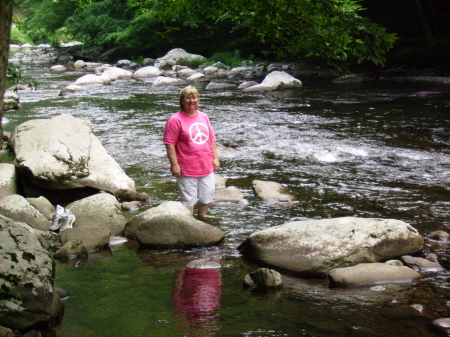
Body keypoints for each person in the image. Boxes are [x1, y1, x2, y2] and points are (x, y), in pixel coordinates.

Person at [163, 86, 220, 219]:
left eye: (194, 97)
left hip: (206, 164)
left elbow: (212, 139)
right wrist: (175, 165)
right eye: (188, 98)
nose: (191, 100)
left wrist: (215, 158)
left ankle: (202, 215)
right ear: (181, 100)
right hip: (186, 167)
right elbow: (169, 144)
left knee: (207, 195)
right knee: (188, 199)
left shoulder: (203, 116)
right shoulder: (175, 120)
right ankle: (189, 223)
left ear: (198, 99)